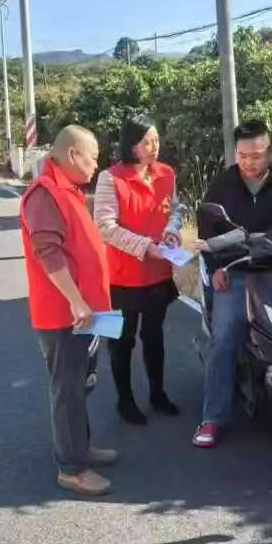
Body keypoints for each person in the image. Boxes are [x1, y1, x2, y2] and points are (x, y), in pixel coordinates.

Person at [20, 124, 118, 497]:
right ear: (73, 155)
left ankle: (80, 447)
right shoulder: (44, 194)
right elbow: (48, 253)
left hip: (89, 313)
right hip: (66, 315)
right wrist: (76, 300)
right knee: (67, 390)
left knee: (82, 384)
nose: (96, 164)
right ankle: (72, 469)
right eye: (93, 157)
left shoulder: (69, 190)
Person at [192, 119, 272, 448]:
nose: (250, 162)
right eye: (243, 155)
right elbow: (207, 231)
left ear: (269, 152)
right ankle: (213, 416)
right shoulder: (222, 184)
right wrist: (217, 267)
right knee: (224, 337)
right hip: (235, 271)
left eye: (257, 155)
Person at [93, 116, 183, 425]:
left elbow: (175, 210)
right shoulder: (110, 178)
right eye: (147, 141)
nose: (154, 146)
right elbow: (105, 227)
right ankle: (125, 400)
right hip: (121, 276)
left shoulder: (166, 173)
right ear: (132, 145)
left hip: (158, 271)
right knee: (121, 341)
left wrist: (172, 231)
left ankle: (158, 393)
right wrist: (144, 246)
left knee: (154, 336)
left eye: (156, 140)